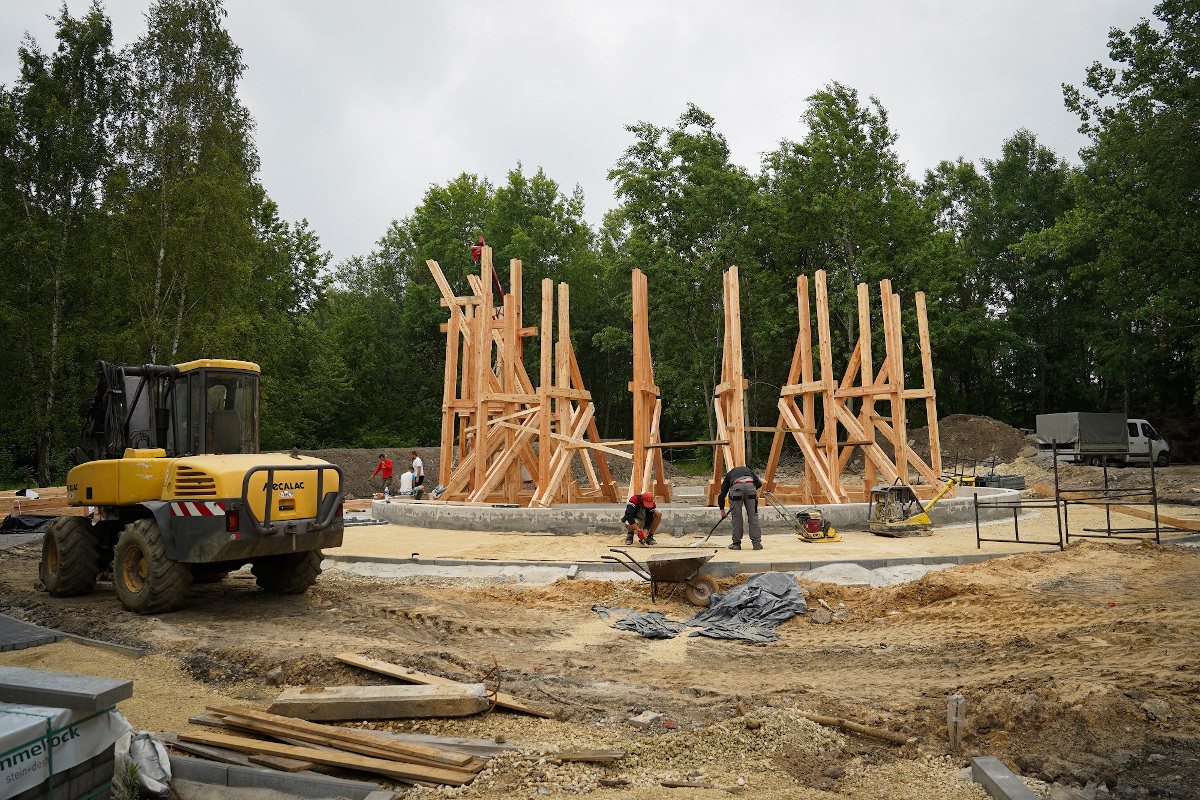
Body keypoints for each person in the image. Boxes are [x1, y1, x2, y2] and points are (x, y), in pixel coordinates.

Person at [717, 465, 763, 550]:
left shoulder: (729, 475)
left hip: (737, 488)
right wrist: (748, 492)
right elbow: (759, 484)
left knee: (737, 517)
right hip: (750, 487)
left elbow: (722, 495)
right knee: (753, 516)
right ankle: (757, 543)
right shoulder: (748, 470)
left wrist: (722, 511)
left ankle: (736, 543)